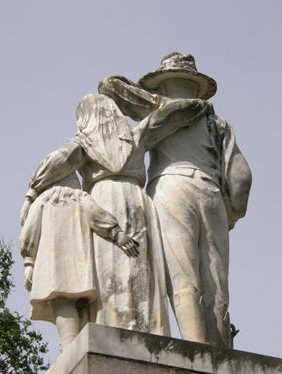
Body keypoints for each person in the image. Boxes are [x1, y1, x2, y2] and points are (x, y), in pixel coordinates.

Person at [20, 92, 209, 336]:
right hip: (137, 199)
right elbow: (169, 116)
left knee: (108, 273)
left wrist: (31, 192)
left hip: (104, 198)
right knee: (142, 270)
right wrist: (197, 105)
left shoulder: (83, 143)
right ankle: (149, 330)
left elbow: (55, 163)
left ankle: (112, 330)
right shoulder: (136, 134)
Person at [98, 51, 252, 347]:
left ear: (164, 85)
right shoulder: (219, 124)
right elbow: (241, 177)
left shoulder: (159, 106)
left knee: (182, 276)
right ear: (197, 86)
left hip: (171, 186)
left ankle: (195, 350)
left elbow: (109, 86)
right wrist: (231, 214)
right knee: (216, 285)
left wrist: (149, 100)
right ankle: (221, 353)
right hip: (212, 193)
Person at [20, 173, 138, 352]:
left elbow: (28, 234)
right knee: (78, 304)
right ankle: (74, 347)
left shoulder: (42, 201)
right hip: (80, 265)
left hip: (51, 266)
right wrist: (117, 234)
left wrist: (29, 263)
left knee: (61, 302)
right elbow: (98, 217)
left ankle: (68, 347)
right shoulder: (81, 198)